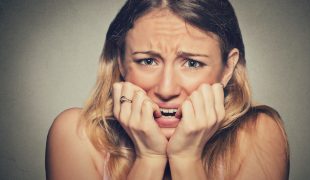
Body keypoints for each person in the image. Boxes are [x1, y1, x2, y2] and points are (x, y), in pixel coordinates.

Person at [45, 0, 290, 179]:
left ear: (227, 68)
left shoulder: (257, 135)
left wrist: (186, 158)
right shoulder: (77, 133)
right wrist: (149, 158)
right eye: (148, 61)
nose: (166, 88)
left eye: (192, 63)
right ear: (120, 62)